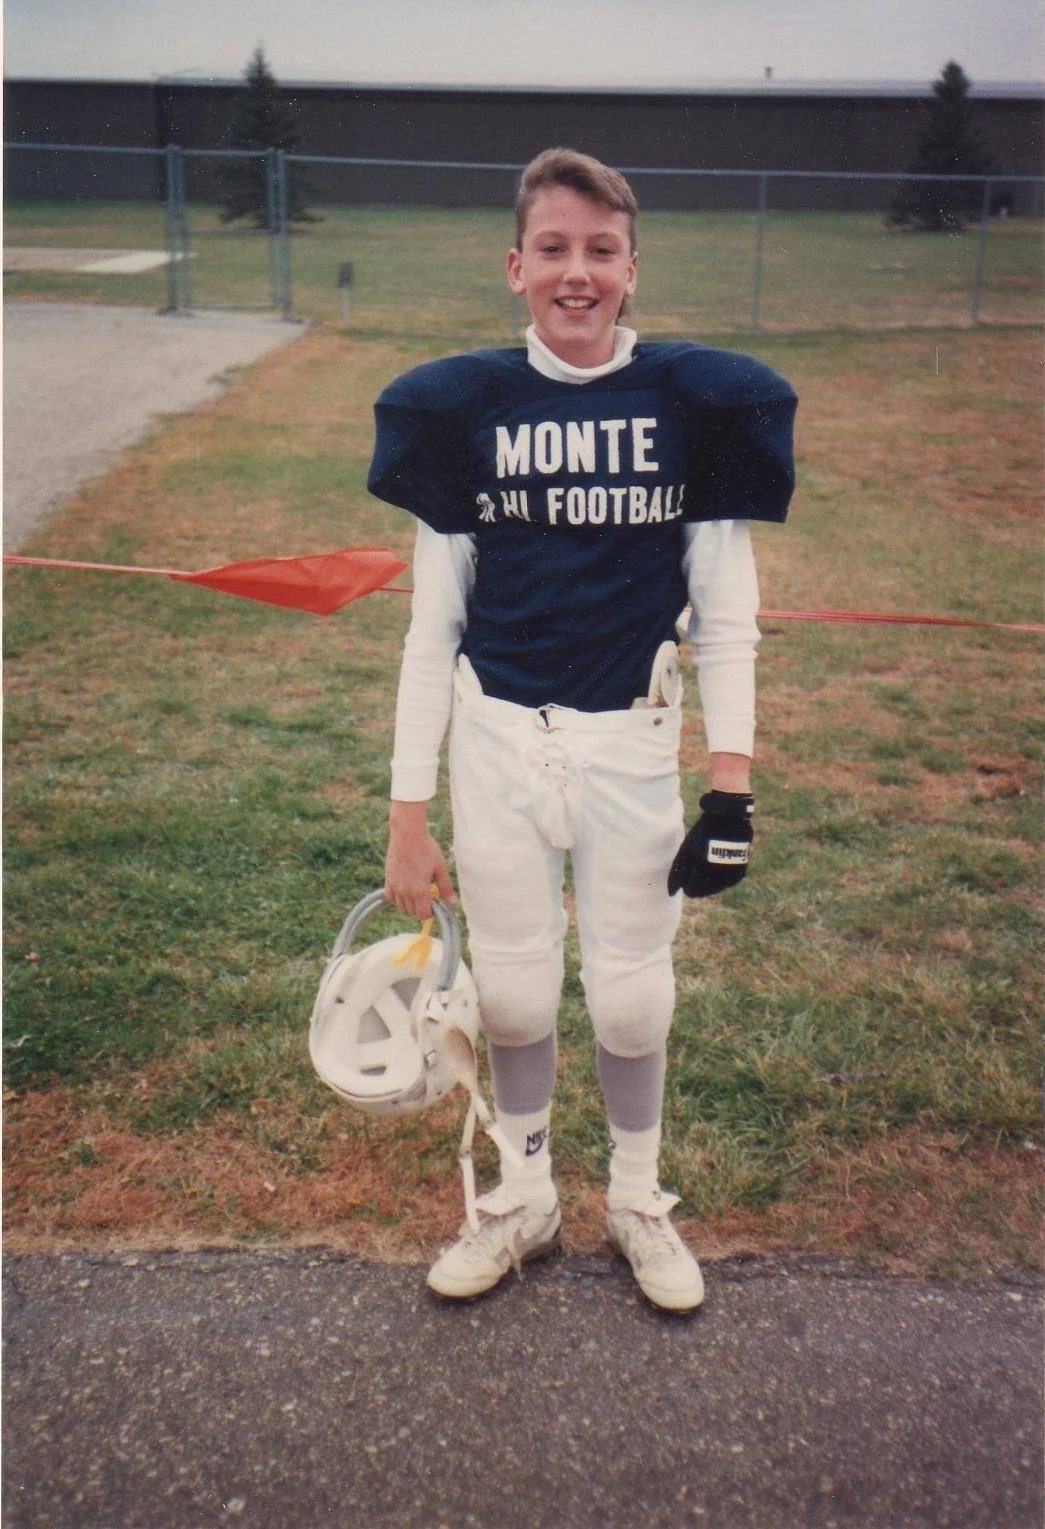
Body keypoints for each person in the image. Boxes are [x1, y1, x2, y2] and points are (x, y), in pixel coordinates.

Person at [368, 147, 796, 1311]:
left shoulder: (689, 406)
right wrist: (408, 816)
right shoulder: (463, 414)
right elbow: (428, 634)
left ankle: (639, 1196)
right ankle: (526, 1194)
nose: (576, 273)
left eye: (599, 251)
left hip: (627, 741)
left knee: (627, 994)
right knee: (509, 991)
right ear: (515, 267)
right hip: (497, 736)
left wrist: (731, 788)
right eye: (552, 249)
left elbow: (729, 617)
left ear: (631, 270)